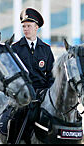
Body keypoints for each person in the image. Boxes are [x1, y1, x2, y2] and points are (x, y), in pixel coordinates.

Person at [7, 8, 55, 143]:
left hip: (42, 92)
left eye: (29, 26)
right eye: (23, 26)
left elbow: (52, 74)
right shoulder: (15, 48)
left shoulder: (45, 49)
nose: (26, 29)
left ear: (36, 27)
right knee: (18, 114)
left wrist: (47, 91)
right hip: (23, 93)